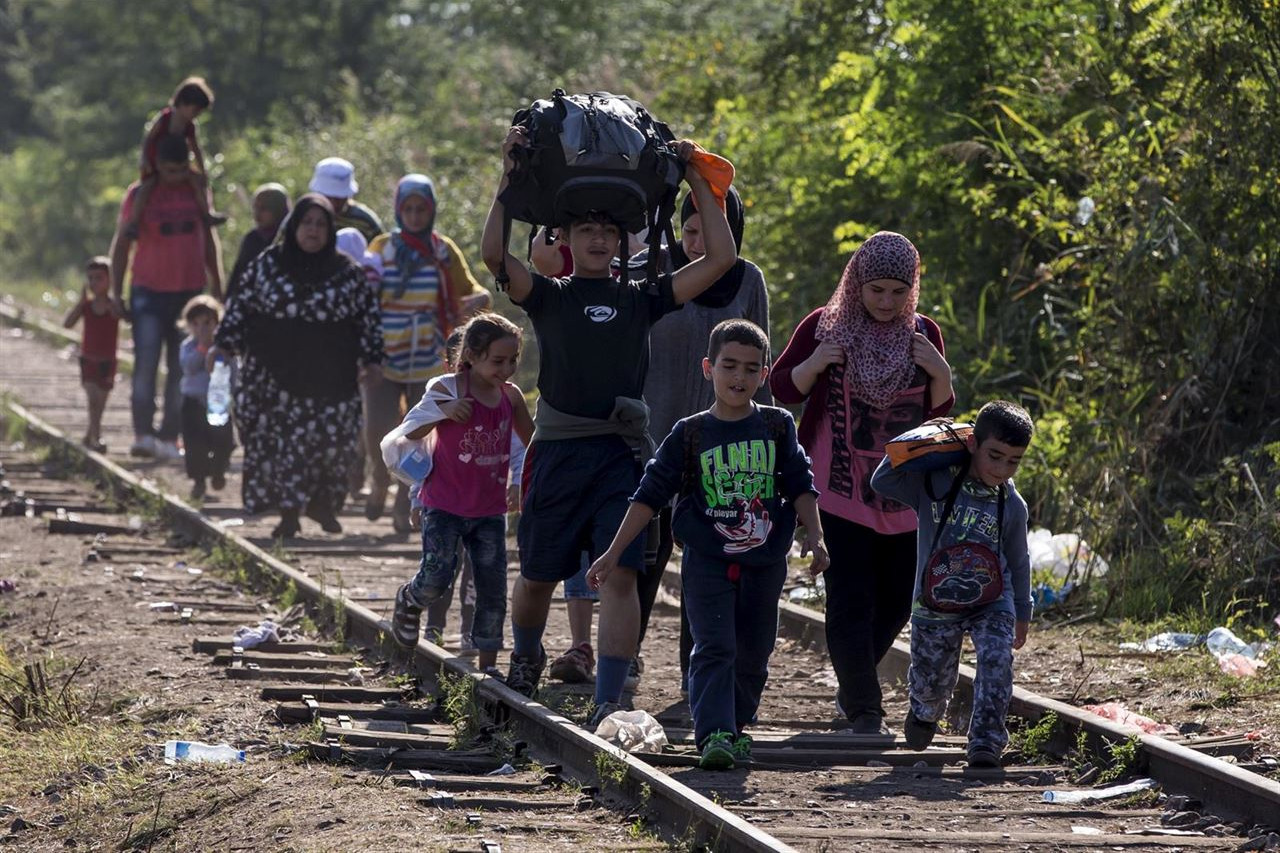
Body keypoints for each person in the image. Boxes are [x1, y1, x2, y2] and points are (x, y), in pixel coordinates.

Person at [480, 126, 737, 722]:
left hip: (621, 457)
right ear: (565, 237)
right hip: (559, 453)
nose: (597, 238)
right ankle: (525, 659)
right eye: (586, 230)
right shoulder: (547, 295)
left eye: (608, 230)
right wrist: (508, 178)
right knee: (540, 574)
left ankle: (609, 696)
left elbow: (720, 258)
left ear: (623, 241)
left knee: (620, 574)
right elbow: (495, 254)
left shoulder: (643, 296)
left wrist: (697, 178)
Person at [588, 319, 828, 768]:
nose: (739, 377)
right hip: (707, 560)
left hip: (765, 560)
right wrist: (613, 551)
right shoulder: (690, 432)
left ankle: (734, 725)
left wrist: (815, 536)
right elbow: (649, 495)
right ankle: (714, 733)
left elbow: (801, 484)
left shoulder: (777, 426)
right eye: (729, 366)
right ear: (708, 368)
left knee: (755, 652)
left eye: (751, 368)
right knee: (714, 645)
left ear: (764, 372)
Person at [771, 231, 954, 734]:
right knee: (850, 598)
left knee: (896, 599)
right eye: (876, 290)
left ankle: (854, 683)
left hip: (903, 498)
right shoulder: (824, 326)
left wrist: (941, 371)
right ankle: (865, 708)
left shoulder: (923, 334)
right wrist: (816, 362)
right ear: (856, 283)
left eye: (898, 291)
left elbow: (940, 410)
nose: (887, 302)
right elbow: (782, 387)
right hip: (837, 493)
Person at [632, 185, 771, 695]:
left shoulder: (746, 279)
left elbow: (762, 359)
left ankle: (699, 674)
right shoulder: (650, 270)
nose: (697, 242)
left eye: (711, 231)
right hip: (654, 433)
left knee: (708, 555)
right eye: (690, 230)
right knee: (648, 550)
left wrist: (769, 437)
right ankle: (626, 655)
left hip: (724, 445)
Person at [208, 194, 384, 538]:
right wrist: (223, 344)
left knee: (334, 445)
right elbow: (241, 306)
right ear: (293, 227)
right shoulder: (266, 264)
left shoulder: (347, 273)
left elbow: (369, 319)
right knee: (282, 442)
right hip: (274, 372)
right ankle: (288, 514)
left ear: (330, 230)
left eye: (321, 224)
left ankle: (321, 503)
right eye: (307, 223)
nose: (313, 231)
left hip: (331, 374)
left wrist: (373, 360)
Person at [869, 400, 1034, 767]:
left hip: (992, 599)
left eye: (1013, 461)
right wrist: (926, 438)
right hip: (935, 600)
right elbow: (882, 479)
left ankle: (986, 742)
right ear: (973, 442)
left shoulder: (1012, 504)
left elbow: (1020, 561)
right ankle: (925, 711)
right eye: (994, 455)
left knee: (996, 661)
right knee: (931, 681)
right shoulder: (934, 482)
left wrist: (1022, 610)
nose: (1001, 469)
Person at [391, 313, 534, 675]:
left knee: (491, 588)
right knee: (438, 574)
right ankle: (409, 599)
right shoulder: (447, 388)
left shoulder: (511, 396)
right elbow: (410, 431)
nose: (507, 368)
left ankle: (487, 667)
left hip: (488, 510)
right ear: (471, 355)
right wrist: (444, 412)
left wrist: (518, 481)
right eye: (498, 361)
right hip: (442, 505)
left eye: (513, 360)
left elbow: (529, 443)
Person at [365, 174, 490, 531]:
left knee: (421, 431)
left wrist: (479, 298)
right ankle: (379, 479)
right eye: (409, 209)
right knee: (377, 426)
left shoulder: (442, 249)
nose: (416, 216)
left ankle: (403, 503)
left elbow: (472, 288)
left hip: (428, 354)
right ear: (398, 210)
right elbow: (364, 282)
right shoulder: (382, 247)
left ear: (431, 210)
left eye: (422, 209)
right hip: (385, 353)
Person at [109, 133, 224, 461]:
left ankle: (171, 436)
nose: (175, 178)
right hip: (148, 292)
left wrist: (217, 284)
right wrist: (117, 292)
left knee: (182, 368)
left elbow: (209, 240)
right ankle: (143, 433)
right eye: (169, 171)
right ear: (158, 167)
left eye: (180, 170)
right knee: (145, 364)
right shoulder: (140, 194)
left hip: (188, 294)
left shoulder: (196, 191)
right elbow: (121, 245)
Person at [125, 77, 224, 237]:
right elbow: (149, 139)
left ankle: (207, 215)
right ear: (183, 103)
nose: (196, 115)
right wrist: (143, 160)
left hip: (179, 163)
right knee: (145, 189)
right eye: (195, 110)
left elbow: (195, 148)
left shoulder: (190, 126)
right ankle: (134, 223)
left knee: (197, 183)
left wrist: (202, 171)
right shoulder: (165, 118)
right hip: (155, 165)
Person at [63, 256, 123, 453]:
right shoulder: (86, 306)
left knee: (101, 402)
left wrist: (116, 306)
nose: (94, 283)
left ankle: (90, 435)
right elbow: (67, 324)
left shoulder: (113, 306)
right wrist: (79, 304)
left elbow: (125, 318)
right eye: (91, 278)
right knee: (93, 399)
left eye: (99, 278)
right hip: (88, 359)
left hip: (108, 361)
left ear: (110, 280)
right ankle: (97, 437)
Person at [178, 295, 234, 500]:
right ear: (189, 325)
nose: (202, 328)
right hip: (193, 401)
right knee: (194, 444)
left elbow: (233, 371)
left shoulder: (224, 347)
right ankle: (199, 480)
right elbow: (189, 368)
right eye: (196, 323)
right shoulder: (188, 347)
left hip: (217, 402)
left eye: (208, 322)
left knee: (223, 440)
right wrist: (203, 348)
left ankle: (218, 471)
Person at [227, 183, 290, 301]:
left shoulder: (290, 240)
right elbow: (238, 276)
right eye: (255, 208)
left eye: (264, 209)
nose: (257, 214)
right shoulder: (252, 239)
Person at [308, 157, 384, 241]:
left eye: (339, 198)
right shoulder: (304, 217)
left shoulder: (366, 222)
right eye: (328, 197)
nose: (334, 203)